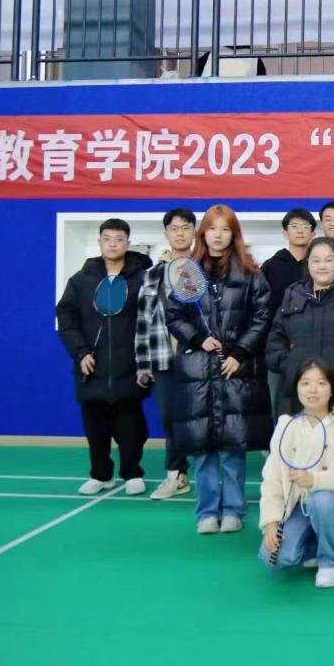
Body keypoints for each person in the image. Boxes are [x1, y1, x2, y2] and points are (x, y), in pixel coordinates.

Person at [164, 205, 273, 533]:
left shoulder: (252, 273)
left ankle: (234, 510)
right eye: (213, 229)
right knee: (203, 447)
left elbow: (262, 317)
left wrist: (240, 352)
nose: (218, 235)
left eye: (225, 229)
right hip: (197, 372)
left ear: (234, 234)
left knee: (232, 446)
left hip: (235, 371)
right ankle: (207, 512)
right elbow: (174, 315)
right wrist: (198, 338)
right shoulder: (189, 272)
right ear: (204, 233)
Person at [55, 219, 153, 496]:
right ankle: (101, 475)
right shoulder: (81, 280)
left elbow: (153, 321)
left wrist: (146, 362)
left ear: (128, 243)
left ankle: (132, 473)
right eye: (107, 238)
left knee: (131, 428)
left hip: (129, 368)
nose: (113, 244)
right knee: (95, 429)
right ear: (99, 242)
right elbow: (66, 318)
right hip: (91, 369)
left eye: (119, 239)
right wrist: (80, 351)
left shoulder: (143, 278)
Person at [258, 358, 334, 589]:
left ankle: (331, 561)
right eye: (305, 383)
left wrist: (315, 480)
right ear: (297, 388)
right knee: (274, 558)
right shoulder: (286, 425)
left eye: (321, 383)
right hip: (299, 507)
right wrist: (271, 522)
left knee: (322, 500)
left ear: (332, 389)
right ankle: (317, 543)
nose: (313, 390)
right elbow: (272, 480)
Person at [266, 236, 334, 436]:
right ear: (308, 265)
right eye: (316, 260)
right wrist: (290, 365)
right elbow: (275, 340)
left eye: (328, 260)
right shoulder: (293, 295)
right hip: (298, 395)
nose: (322, 266)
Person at [135, 207, 197, 500]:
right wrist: (143, 363)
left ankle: (211, 481)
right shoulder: (152, 275)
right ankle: (176, 475)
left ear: (194, 231)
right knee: (171, 418)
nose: (180, 233)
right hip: (164, 358)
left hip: (200, 358)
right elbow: (143, 320)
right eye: (174, 228)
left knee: (207, 419)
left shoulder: (205, 269)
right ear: (166, 233)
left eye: (186, 227)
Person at [261, 207, 317, 415]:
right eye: (294, 226)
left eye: (305, 226)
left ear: (313, 233)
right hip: (279, 348)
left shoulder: (318, 266)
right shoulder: (270, 267)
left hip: (313, 348)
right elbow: (263, 309)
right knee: (279, 406)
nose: (300, 230)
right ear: (285, 233)